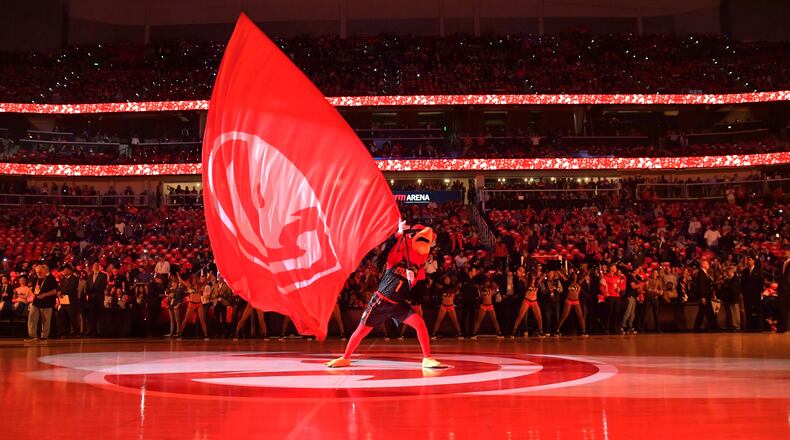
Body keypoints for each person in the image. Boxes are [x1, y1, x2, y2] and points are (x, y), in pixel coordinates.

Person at [326, 222, 445, 369]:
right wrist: (398, 234)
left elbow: (416, 292)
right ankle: (345, 357)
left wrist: (413, 280)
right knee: (361, 331)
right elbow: (388, 252)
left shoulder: (418, 269)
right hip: (380, 302)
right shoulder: (395, 260)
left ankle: (427, 358)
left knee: (420, 324)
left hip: (396, 305)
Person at [25, 264, 58, 342]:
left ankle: (44, 336)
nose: (38, 273)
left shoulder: (51, 279)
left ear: (45, 271)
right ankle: (32, 335)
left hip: (47, 302)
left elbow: (54, 291)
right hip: (36, 302)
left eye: (40, 272)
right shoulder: (35, 279)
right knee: (31, 318)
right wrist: (32, 296)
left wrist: (44, 295)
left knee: (45, 320)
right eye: (37, 272)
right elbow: (33, 289)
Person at [511, 273, 543, 337]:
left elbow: (544, 275)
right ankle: (513, 331)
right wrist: (522, 274)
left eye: (534, 275)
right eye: (532, 275)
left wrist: (540, 272)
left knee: (539, 318)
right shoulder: (527, 282)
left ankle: (540, 331)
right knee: (520, 316)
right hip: (527, 300)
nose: (534, 276)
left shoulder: (538, 281)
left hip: (534, 301)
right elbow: (520, 276)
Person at [556, 272, 587, 336]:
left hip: (576, 301)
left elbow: (585, 276)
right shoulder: (568, 282)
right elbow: (562, 275)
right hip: (569, 300)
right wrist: (557, 270)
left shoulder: (579, 282)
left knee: (580, 316)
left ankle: (583, 331)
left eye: (575, 274)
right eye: (573, 275)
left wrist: (590, 270)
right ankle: (557, 330)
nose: (574, 276)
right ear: (571, 276)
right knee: (564, 316)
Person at [431, 274, 462, 339]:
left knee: (455, 321)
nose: (447, 280)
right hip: (443, 306)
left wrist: (458, 289)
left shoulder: (453, 288)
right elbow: (435, 286)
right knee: (438, 320)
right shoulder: (441, 288)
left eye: (448, 279)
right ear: (444, 280)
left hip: (451, 306)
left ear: (450, 280)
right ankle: (433, 333)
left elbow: (458, 290)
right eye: (446, 279)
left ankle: (459, 333)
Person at [694, 260, 719, 332]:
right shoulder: (701, 273)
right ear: (703, 265)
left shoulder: (704, 273)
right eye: (707, 263)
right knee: (705, 312)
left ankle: (713, 326)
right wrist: (702, 297)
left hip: (706, 296)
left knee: (705, 312)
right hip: (705, 296)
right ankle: (713, 327)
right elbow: (701, 286)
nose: (708, 265)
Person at [83, 263, 108, 337]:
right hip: (91, 298)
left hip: (99, 297)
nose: (95, 267)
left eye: (97, 266)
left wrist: (94, 292)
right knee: (92, 315)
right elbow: (87, 286)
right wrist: (89, 293)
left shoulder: (103, 275)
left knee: (100, 315)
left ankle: (101, 332)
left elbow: (103, 286)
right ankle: (93, 332)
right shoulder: (89, 276)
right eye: (94, 266)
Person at [741, 256, 764, 331]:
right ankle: (749, 327)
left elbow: (761, 282)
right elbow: (742, 283)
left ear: (754, 261)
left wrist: (761, 292)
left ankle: (759, 327)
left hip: (756, 293)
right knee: (748, 310)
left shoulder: (759, 270)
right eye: (748, 260)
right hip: (747, 294)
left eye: (750, 260)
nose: (748, 261)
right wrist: (743, 292)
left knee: (758, 310)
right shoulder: (744, 271)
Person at [56, 265, 80, 338]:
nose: (64, 272)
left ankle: (76, 333)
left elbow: (72, 288)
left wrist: (61, 292)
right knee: (64, 317)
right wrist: (58, 292)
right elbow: (59, 288)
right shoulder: (62, 279)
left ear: (70, 270)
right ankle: (65, 333)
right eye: (63, 270)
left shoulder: (75, 279)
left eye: (65, 270)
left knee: (73, 317)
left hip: (71, 300)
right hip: (63, 300)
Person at [777, 247, 790, 334]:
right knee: (782, 309)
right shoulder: (782, 264)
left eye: (785, 252)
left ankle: (787, 327)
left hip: (788, 289)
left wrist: (786, 285)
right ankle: (784, 327)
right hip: (782, 290)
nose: (783, 254)